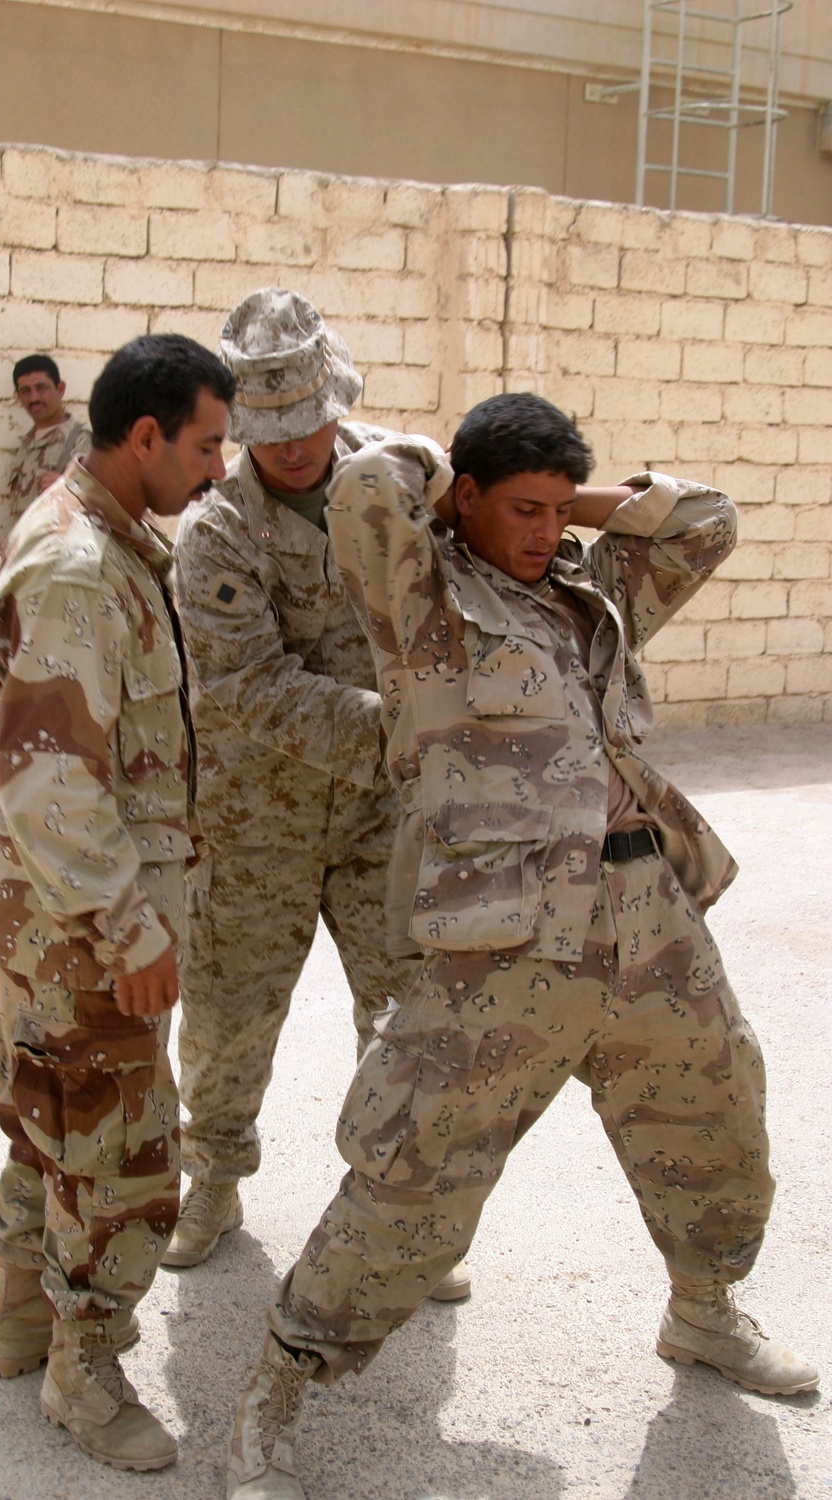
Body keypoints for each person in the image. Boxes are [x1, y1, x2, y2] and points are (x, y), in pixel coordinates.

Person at [226, 393, 819, 1499]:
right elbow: (365, 488)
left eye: (560, 510)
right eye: (523, 510)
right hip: (504, 950)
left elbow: (707, 521)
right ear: (462, 501)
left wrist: (571, 485)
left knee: (719, 1118)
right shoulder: (423, 603)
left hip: (648, 919)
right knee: (409, 1178)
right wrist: (460, 476)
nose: (547, 530)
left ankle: (703, 1312)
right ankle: (277, 1388)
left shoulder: (599, 595)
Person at [0, 333, 235, 1471]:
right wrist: (131, 926)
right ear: (147, 435)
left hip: (50, 918)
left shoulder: (105, 536)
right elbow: (52, 780)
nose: (217, 470)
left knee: (44, 1122)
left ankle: (20, 1328)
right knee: (118, 1161)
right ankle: (85, 1374)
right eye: (206, 446)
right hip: (84, 926)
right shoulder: (77, 565)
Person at [163, 289, 467, 1300]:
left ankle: (401, 1209)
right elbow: (246, 689)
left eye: (308, 424)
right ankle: (213, 1176)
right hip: (260, 817)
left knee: (409, 1010)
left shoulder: (393, 478)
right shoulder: (214, 531)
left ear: (334, 402)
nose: (294, 448)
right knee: (228, 1012)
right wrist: (409, 725)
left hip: (387, 816)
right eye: (269, 432)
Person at [8, 353, 91, 514]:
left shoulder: (82, 440)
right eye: (25, 391)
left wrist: (68, 488)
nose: (34, 398)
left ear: (60, 389)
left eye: (41, 388)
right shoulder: (26, 446)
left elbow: (109, 503)